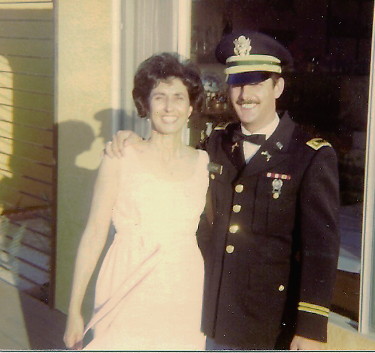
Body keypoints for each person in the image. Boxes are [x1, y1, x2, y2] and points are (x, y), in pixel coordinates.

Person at [106, 31, 340, 351]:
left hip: (266, 327)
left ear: (278, 87)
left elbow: (321, 251)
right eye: (238, 83)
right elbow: (169, 163)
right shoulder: (215, 144)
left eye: (256, 82)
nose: (245, 95)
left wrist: (311, 329)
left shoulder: (310, 155)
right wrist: (132, 142)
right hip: (205, 317)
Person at [63, 52, 209, 350]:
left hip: (182, 286)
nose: (169, 107)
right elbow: (94, 235)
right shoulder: (121, 155)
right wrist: (74, 311)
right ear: (145, 104)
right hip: (126, 277)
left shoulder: (204, 163)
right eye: (160, 97)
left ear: (191, 106)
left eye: (179, 97)